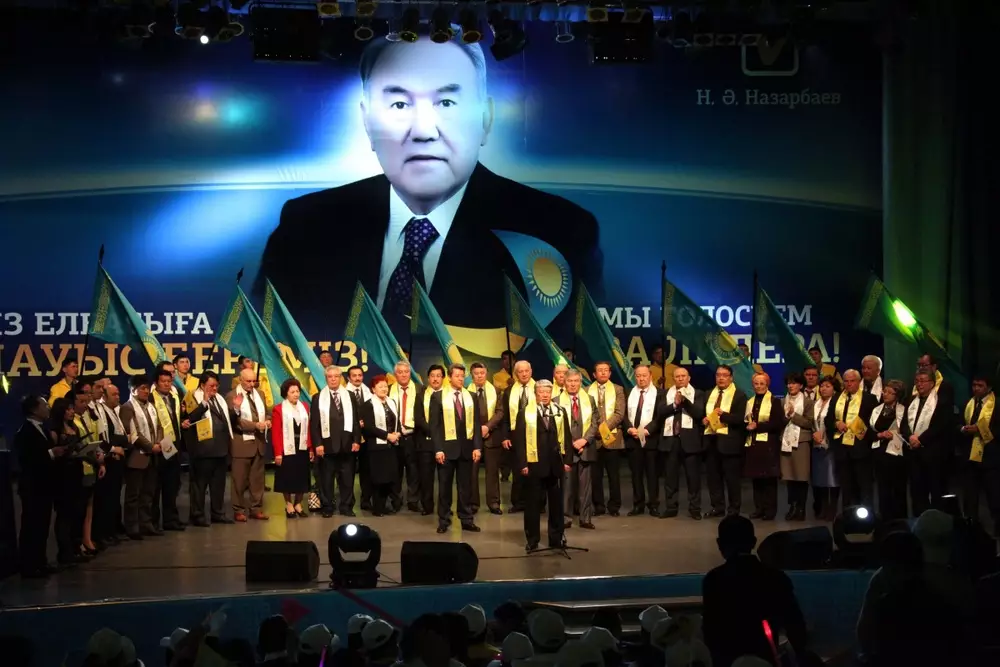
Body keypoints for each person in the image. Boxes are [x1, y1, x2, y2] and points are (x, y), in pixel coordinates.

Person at [254, 36, 603, 333]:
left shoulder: (558, 232)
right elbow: (265, 341)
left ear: (485, 119)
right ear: (367, 121)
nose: (423, 131)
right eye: (399, 104)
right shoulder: (306, 226)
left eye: (446, 102)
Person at [702, 515, 808, 667]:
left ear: (720, 544)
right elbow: (795, 625)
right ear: (754, 542)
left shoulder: (713, 580)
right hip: (766, 659)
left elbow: (709, 630)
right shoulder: (775, 577)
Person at [513, 380, 571, 551]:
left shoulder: (559, 411)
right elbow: (519, 441)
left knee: (556, 505)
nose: (545, 395)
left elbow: (567, 436)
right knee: (532, 505)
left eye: (547, 392)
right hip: (534, 465)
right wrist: (523, 463)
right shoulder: (525, 413)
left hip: (554, 465)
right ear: (535, 393)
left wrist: (567, 460)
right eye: (541, 392)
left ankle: (556, 538)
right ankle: (532, 540)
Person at [431, 364, 483, 533]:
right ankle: (444, 520)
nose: (461, 379)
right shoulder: (438, 397)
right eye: (457, 376)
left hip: (466, 449)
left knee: (465, 487)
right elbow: (434, 427)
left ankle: (466, 519)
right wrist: (438, 449)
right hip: (446, 450)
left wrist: (477, 447)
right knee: (445, 487)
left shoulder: (471, 396)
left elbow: (476, 424)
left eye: (462, 376)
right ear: (449, 377)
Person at [651, 366, 705, 520]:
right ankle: (671, 507)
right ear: (673, 379)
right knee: (670, 477)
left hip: (690, 441)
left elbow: (699, 413)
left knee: (693, 477)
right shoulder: (665, 393)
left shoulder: (698, 393)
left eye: (683, 376)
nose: (680, 379)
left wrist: (684, 402)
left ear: (689, 378)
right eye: (677, 376)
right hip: (670, 440)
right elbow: (660, 412)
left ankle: (694, 508)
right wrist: (675, 405)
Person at [182, 371, 236, 526]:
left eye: (216, 385)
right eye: (211, 386)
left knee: (218, 485)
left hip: (220, 449)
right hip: (202, 450)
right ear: (202, 385)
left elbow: (226, 420)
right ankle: (197, 515)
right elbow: (189, 420)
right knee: (199, 486)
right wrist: (204, 403)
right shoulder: (192, 397)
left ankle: (218, 513)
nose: (214, 388)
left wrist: (236, 410)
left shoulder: (219, 399)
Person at [15, 395, 60, 577]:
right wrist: (51, 453)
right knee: (31, 526)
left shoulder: (43, 429)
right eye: (44, 405)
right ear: (34, 409)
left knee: (42, 526)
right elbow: (28, 459)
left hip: (45, 485)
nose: (48, 408)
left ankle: (41, 561)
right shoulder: (25, 431)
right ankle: (29, 565)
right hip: (33, 487)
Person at [902, 370, 955, 516]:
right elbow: (904, 423)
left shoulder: (941, 402)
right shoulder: (911, 401)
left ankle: (937, 521)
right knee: (917, 491)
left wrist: (921, 439)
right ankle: (919, 520)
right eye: (917, 381)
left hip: (933, 453)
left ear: (932, 384)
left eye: (923, 381)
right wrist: (910, 437)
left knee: (936, 490)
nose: (919, 384)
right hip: (914, 453)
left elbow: (940, 426)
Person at [826, 368, 879, 510]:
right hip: (842, 450)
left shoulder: (869, 399)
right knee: (846, 487)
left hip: (861, 450)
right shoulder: (837, 398)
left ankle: (867, 515)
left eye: (852, 381)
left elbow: (874, 424)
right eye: (846, 381)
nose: (849, 384)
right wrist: (836, 423)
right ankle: (848, 515)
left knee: (864, 486)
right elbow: (828, 419)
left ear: (859, 381)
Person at [311, 365, 360, 518]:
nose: (333, 379)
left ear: (340, 378)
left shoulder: (350, 396)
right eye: (330, 377)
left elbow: (356, 421)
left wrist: (356, 440)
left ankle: (346, 506)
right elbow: (314, 424)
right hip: (327, 446)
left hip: (347, 445)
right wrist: (318, 444)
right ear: (326, 379)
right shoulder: (318, 398)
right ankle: (327, 506)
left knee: (347, 479)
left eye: (336, 376)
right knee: (326, 479)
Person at [702, 364, 749, 518]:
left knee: (732, 479)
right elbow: (704, 414)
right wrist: (704, 420)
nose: (721, 378)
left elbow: (741, 419)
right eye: (718, 375)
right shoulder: (709, 393)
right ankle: (717, 507)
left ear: (731, 378)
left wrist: (723, 415)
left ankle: (734, 509)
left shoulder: (739, 395)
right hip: (711, 441)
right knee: (713, 478)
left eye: (724, 375)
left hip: (730, 443)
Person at [119, 374, 163, 539]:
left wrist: (158, 443)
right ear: (133, 390)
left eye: (147, 388)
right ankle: (132, 527)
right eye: (142, 388)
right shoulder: (127, 407)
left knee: (148, 493)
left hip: (153, 456)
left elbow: (158, 427)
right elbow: (132, 433)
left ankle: (146, 524)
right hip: (137, 456)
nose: (146, 391)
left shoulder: (151, 406)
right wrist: (151, 446)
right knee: (133, 495)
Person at [228, 367, 271, 522]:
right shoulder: (232, 396)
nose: (252, 384)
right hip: (241, 444)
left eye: (254, 381)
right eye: (248, 381)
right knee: (239, 481)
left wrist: (268, 421)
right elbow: (234, 421)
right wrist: (255, 426)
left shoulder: (260, 394)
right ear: (240, 380)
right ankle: (238, 510)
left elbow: (266, 412)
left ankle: (256, 508)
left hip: (258, 443)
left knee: (257, 480)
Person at [557, 369, 598, 529]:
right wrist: (572, 443)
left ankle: (585, 518)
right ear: (564, 382)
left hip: (585, 448)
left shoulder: (589, 399)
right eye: (570, 381)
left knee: (586, 488)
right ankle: (565, 518)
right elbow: (557, 428)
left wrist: (584, 440)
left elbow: (595, 423)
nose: (573, 384)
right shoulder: (556, 401)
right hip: (567, 450)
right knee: (566, 487)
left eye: (576, 381)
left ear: (580, 383)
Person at [959, 374, 998, 536]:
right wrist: (963, 429)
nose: (976, 388)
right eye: (974, 385)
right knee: (970, 497)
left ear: (989, 387)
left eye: (980, 385)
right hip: (970, 458)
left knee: (994, 497)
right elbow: (958, 423)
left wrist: (980, 429)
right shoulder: (969, 403)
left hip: (990, 458)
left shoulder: (997, 404)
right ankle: (971, 527)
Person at [743, 372, 785, 521]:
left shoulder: (774, 401)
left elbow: (777, 424)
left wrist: (758, 426)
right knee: (756, 479)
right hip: (753, 444)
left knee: (768, 480)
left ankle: (770, 510)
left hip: (768, 445)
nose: (759, 386)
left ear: (767, 385)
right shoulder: (750, 401)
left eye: (762, 383)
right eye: (756, 383)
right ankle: (759, 508)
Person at [271, 378, 315, 517]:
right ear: (286, 393)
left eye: (297, 391)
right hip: (286, 448)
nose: (296, 394)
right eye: (292, 392)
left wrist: (311, 448)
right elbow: (276, 433)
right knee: (287, 477)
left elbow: (309, 429)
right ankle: (289, 504)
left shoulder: (305, 407)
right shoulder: (279, 409)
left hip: (302, 447)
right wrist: (278, 453)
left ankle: (298, 503)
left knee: (302, 476)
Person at [361, 375, 404, 516]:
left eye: (385, 386)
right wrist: (387, 436)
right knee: (378, 478)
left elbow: (396, 421)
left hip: (391, 447)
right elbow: (369, 427)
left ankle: (384, 505)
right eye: (380, 386)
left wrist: (397, 433)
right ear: (373, 389)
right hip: (376, 447)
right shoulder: (368, 405)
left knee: (389, 478)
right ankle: (377, 507)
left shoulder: (391, 402)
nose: (384, 389)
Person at [589, 361, 626, 517]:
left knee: (613, 475)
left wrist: (603, 428)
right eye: (600, 370)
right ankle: (598, 506)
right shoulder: (586, 390)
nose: (603, 373)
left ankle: (614, 506)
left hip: (613, 438)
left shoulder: (618, 389)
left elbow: (619, 413)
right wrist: (595, 429)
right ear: (594, 374)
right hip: (594, 439)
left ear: (610, 373)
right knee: (595, 476)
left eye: (606, 370)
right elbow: (587, 413)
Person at [93, 382, 128, 548]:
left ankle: (112, 531)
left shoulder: (115, 411)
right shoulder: (100, 411)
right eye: (113, 395)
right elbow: (103, 437)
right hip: (107, 459)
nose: (117, 397)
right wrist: (113, 448)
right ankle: (103, 533)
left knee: (114, 498)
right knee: (105, 500)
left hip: (117, 458)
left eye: (118, 394)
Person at [500, 360, 536, 514]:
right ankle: (518, 502)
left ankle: (537, 502)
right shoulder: (509, 391)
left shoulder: (539, 389)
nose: (524, 374)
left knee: (535, 470)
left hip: (536, 435)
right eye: (520, 371)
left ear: (531, 371)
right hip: (516, 436)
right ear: (516, 374)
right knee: (518, 470)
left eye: (526, 371)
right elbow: (505, 417)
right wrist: (505, 436)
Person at [150, 367, 184, 531]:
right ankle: (153, 522)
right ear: (156, 383)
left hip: (173, 446)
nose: (166, 384)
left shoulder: (173, 397)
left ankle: (171, 519)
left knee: (172, 486)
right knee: (156, 487)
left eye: (169, 381)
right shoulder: (151, 398)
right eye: (163, 381)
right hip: (158, 446)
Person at [470, 361, 505, 515]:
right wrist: (478, 429)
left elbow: (500, 412)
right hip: (472, 437)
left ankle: (494, 503)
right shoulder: (466, 392)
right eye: (476, 373)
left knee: (492, 472)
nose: (479, 376)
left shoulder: (496, 391)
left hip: (492, 436)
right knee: (472, 473)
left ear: (486, 373)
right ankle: (473, 504)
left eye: (482, 373)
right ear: (472, 375)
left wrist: (487, 427)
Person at [870, 379, 908, 520]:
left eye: (889, 392)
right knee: (883, 488)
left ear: (897, 395)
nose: (885, 394)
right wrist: (879, 435)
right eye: (884, 391)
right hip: (880, 454)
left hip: (897, 455)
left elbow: (907, 430)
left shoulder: (903, 411)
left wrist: (895, 434)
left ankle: (900, 519)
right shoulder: (877, 410)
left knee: (898, 488)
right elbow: (869, 431)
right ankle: (884, 519)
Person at [624, 364, 659, 516]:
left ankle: (654, 505)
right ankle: (638, 504)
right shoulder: (629, 392)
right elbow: (624, 415)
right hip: (633, 439)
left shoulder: (659, 393)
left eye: (644, 375)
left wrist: (647, 430)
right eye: (638, 376)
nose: (641, 378)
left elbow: (659, 416)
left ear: (650, 376)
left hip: (651, 440)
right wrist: (629, 428)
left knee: (652, 474)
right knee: (636, 475)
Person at [388, 361, 421, 513]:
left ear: (410, 373)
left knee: (414, 471)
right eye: (400, 372)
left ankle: (413, 500)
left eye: (406, 372)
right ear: (395, 375)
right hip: (394, 437)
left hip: (413, 436)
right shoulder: (388, 389)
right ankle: (396, 500)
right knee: (395, 471)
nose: (403, 375)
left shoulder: (420, 389)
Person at [781, 372, 814, 521]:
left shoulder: (808, 402)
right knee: (789, 477)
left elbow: (809, 423)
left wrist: (793, 415)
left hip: (801, 442)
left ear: (801, 385)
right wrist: (785, 416)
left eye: (794, 383)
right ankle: (792, 506)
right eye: (789, 383)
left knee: (801, 477)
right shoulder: (782, 401)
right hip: (786, 443)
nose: (790, 386)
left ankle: (801, 508)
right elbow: (779, 421)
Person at [414, 364, 445, 517]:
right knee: (426, 478)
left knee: (445, 479)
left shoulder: (448, 396)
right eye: (432, 376)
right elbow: (419, 419)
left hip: (445, 443)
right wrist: (433, 432)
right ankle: (427, 506)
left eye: (438, 376)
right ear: (428, 378)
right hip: (425, 442)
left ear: (443, 378)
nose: (435, 379)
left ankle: (444, 508)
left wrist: (440, 435)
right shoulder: (421, 395)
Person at [811, 375, 840, 520]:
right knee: (820, 479)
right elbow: (812, 422)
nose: (823, 389)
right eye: (822, 386)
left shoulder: (837, 403)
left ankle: (832, 509)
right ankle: (822, 508)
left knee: (832, 479)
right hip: (817, 445)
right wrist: (814, 433)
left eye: (827, 386)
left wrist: (825, 434)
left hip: (830, 445)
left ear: (834, 389)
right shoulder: (816, 403)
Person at [346, 365, 374, 511]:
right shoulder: (344, 393)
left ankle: (366, 500)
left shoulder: (368, 391)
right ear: (349, 378)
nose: (357, 378)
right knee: (348, 471)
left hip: (366, 437)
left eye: (360, 375)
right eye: (354, 375)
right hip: (350, 437)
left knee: (366, 470)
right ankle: (348, 501)